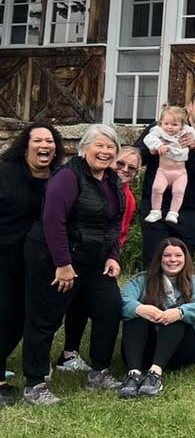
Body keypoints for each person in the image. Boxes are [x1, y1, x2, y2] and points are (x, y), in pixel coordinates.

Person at [21, 124, 125, 405]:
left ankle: (99, 370)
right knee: (46, 318)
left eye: (110, 147)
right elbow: (54, 221)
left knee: (110, 306)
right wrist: (63, 264)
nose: (105, 152)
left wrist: (113, 255)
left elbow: (114, 223)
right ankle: (34, 383)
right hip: (54, 259)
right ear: (84, 148)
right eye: (99, 146)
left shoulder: (112, 180)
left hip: (94, 261)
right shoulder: (67, 176)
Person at [58, 144, 142, 375]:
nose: (125, 169)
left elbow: (119, 232)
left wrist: (112, 256)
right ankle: (67, 354)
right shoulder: (82, 181)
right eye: (121, 163)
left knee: (101, 304)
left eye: (132, 168)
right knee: (72, 304)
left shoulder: (128, 199)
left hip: (102, 258)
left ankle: (85, 359)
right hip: (72, 254)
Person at [0, 123, 64, 406]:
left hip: (40, 261)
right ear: (25, 146)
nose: (44, 145)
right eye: (37, 140)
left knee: (33, 317)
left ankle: (33, 372)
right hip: (5, 256)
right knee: (5, 316)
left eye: (49, 141)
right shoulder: (6, 173)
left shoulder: (59, 179)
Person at [137, 86, 195, 261]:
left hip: (187, 212)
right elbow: (138, 155)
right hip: (156, 205)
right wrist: (157, 147)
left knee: (180, 268)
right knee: (154, 264)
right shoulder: (160, 128)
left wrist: (194, 150)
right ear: (189, 106)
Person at [118, 237, 195, 399]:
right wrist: (139, 308)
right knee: (135, 315)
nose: (172, 260)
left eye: (178, 255)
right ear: (159, 258)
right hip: (143, 352)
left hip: (183, 350)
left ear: (186, 258)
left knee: (174, 315)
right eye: (167, 255)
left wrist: (180, 312)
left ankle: (155, 375)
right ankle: (133, 375)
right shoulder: (142, 280)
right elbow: (121, 300)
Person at [142, 104, 195, 225]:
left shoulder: (186, 131)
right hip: (163, 171)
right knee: (157, 188)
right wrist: (158, 145)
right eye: (166, 124)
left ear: (182, 125)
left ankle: (173, 213)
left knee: (179, 191)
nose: (169, 127)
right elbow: (148, 139)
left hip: (180, 173)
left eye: (174, 125)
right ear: (161, 123)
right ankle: (155, 211)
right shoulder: (158, 131)